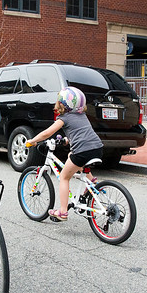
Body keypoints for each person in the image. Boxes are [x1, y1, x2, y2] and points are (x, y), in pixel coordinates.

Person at [26, 86, 103, 221]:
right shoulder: (82, 116)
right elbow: (81, 133)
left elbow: (47, 133)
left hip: (82, 152)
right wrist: (67, 140)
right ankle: (91, 181)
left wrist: (33, 141)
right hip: (97, 148)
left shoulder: (64, 118)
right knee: (71, 157)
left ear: (62, 104)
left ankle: (62, 211)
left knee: (64, 177)